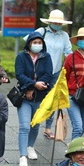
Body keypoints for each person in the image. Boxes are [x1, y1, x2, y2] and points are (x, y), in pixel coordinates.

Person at [27, 9, 73, 139]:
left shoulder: (64, 36)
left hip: (55, 72)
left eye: (60, 22)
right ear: (50, 21)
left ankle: (48, 127)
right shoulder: (41, 32)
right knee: (37, 97)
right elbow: (28, 44)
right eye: (55, 22)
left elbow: (68, 53)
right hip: (39, 71)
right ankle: (33, 121)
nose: (57, 24)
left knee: (53, 99)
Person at [15, 31, 53, 166]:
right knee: (25, 126)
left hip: (40, 96)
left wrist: (37, 87)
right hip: (24, 96)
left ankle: (30, 147)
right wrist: (32, 85)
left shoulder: (46, 57)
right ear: (29, 43)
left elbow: (48, 74)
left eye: (39, 42)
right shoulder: (21, 57)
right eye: (34, 42)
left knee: (35, 124)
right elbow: (20, 75)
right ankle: (22, 156)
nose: (37, 45)